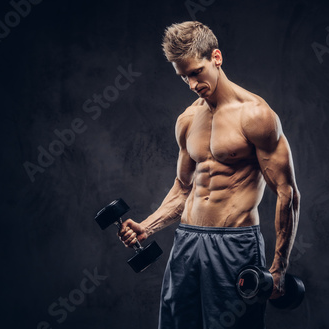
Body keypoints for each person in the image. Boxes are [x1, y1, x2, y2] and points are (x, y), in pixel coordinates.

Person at [118, 21, 300, 329]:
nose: (191, 84)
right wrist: (146, 226)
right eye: (184, 76)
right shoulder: (187, 119)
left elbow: (287, 193)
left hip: (234, 245)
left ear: (216, 57)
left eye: (196, 72)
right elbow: (182, 188)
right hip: (187, 242)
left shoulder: (256, 116)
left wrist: (279, 266)